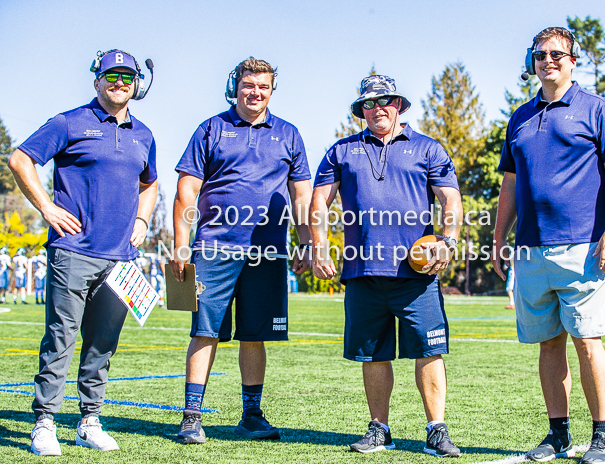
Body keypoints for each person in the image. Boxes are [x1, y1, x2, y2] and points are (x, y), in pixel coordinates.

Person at [8, 49, 157, 456]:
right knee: (61, 338)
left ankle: (89, 421)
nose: (120, 83)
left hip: (121, 260)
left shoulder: (143, 133)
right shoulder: (69, 122)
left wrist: (143, 222)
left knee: (103, 344)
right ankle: (44, 423)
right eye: (112, 76)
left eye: (127, 77)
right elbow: (20, 158)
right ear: (97, 81)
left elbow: (150, 184)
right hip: (72, 252)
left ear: (135, 84)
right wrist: (46, 206)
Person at [492, 27, 605, 464]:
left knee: (587, 341)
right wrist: (499, 238)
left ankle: (604, 438)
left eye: (557, 54)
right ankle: (558, 436)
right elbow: (510, 183)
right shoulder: (519, 116)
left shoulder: (599, 110)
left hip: (585, 247)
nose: (547, 60)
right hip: (531, 250)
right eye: (539, 54)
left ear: (573, 60)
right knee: (548, 344)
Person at [310, 75, 464, 456]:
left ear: (400, 105)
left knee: (429, 351)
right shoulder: (340, 151)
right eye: (369, 104)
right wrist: (318, 247)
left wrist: (448, 241)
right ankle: (379, 428)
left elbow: (451, 200)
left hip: (417, 274)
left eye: (386, 101)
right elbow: (318, 203)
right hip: (362, 272)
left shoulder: (428, 149)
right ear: (361, 110)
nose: (378, 109)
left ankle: (436, 429)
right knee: (373, 354)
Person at [170, 57, 312, 444]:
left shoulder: (289, 134)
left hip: (268, 252)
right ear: (236, 85)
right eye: (249, 85)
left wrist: (306, 241)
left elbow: (302, 195)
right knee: (205, 331)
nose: (256, 93)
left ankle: (251, 416)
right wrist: (181, 247)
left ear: (272, 89)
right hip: (214, 247)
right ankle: (192, 417)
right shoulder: (211, 128)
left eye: (263, 87)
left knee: (256, 334)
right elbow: (187, 190)